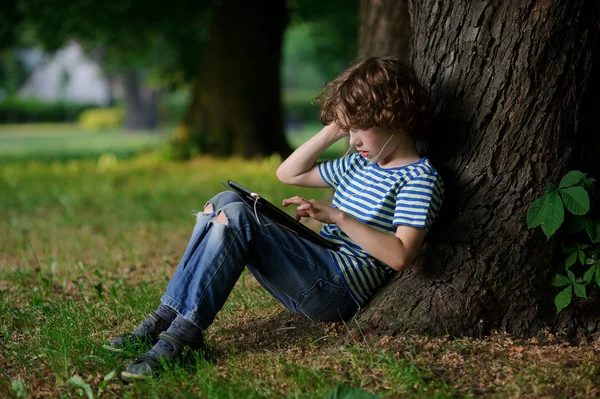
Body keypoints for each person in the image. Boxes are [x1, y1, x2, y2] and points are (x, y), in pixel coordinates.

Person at [108, 55, 444, 382]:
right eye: (349, 131)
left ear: (393, 117)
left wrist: (338, 217)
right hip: (319, 262)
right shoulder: (360, 164)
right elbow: (288, 172)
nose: (353, 141)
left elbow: (401, 255)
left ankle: (182, 336)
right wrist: (334, 130)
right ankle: (164, 321)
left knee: (236, 214)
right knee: (224, 201)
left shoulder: (418, 178)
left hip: (338, 287)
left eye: (360, 129)